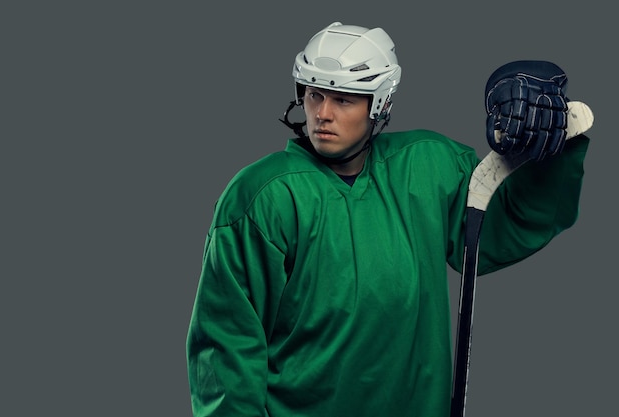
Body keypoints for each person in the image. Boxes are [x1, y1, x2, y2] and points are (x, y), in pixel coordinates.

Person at [186, 22, 590, 417]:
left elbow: (504, 229)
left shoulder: (428, 165)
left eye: (343, 99)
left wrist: (552, 150)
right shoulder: (263, 194)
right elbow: (227, 344)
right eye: (314, 95)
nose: (323, 114)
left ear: (378, 103)